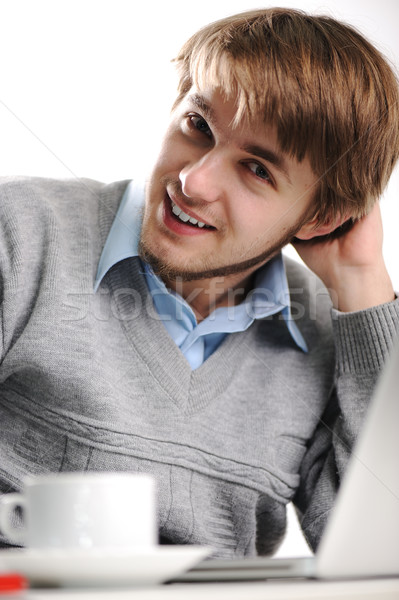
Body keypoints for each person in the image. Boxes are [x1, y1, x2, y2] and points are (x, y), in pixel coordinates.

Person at [0, 7, 398, 557]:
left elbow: (379, 550)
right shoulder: (18, 232)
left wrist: (364, 285)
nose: (193, 180)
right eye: (199, 126)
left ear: (321, 219)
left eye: (257, 169)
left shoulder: (329, 341)